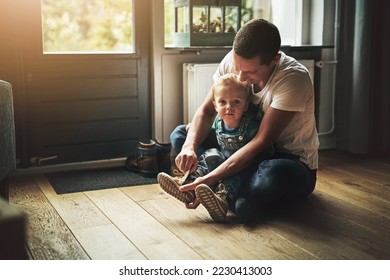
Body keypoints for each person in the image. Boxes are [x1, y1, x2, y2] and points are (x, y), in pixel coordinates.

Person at [170, 18, 319, 223]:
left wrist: (211, 177)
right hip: (235, 145)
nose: (240, 75)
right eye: (237, 66)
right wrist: (189, 147)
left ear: (274, 60)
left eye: (250, 71)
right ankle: (225, 191)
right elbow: (207, 110)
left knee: (270, 177)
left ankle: (215, 187)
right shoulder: (234, 59)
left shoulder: (293, 78)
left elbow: (261, 142)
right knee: (180, 134)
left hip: (284, 160)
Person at [158, 73, 272, 222]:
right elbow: (210, 130)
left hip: (244, 165)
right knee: (211, 155)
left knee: (234, 176)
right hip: (223, 159)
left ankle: (222, 199)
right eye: (223, 102)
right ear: (215, 106)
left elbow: (265, 150)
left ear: (245, 106)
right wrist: (194, 128)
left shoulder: (251, 127)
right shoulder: (218, 122)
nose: (229, 107)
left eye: (236, 102)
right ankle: (189, 185)